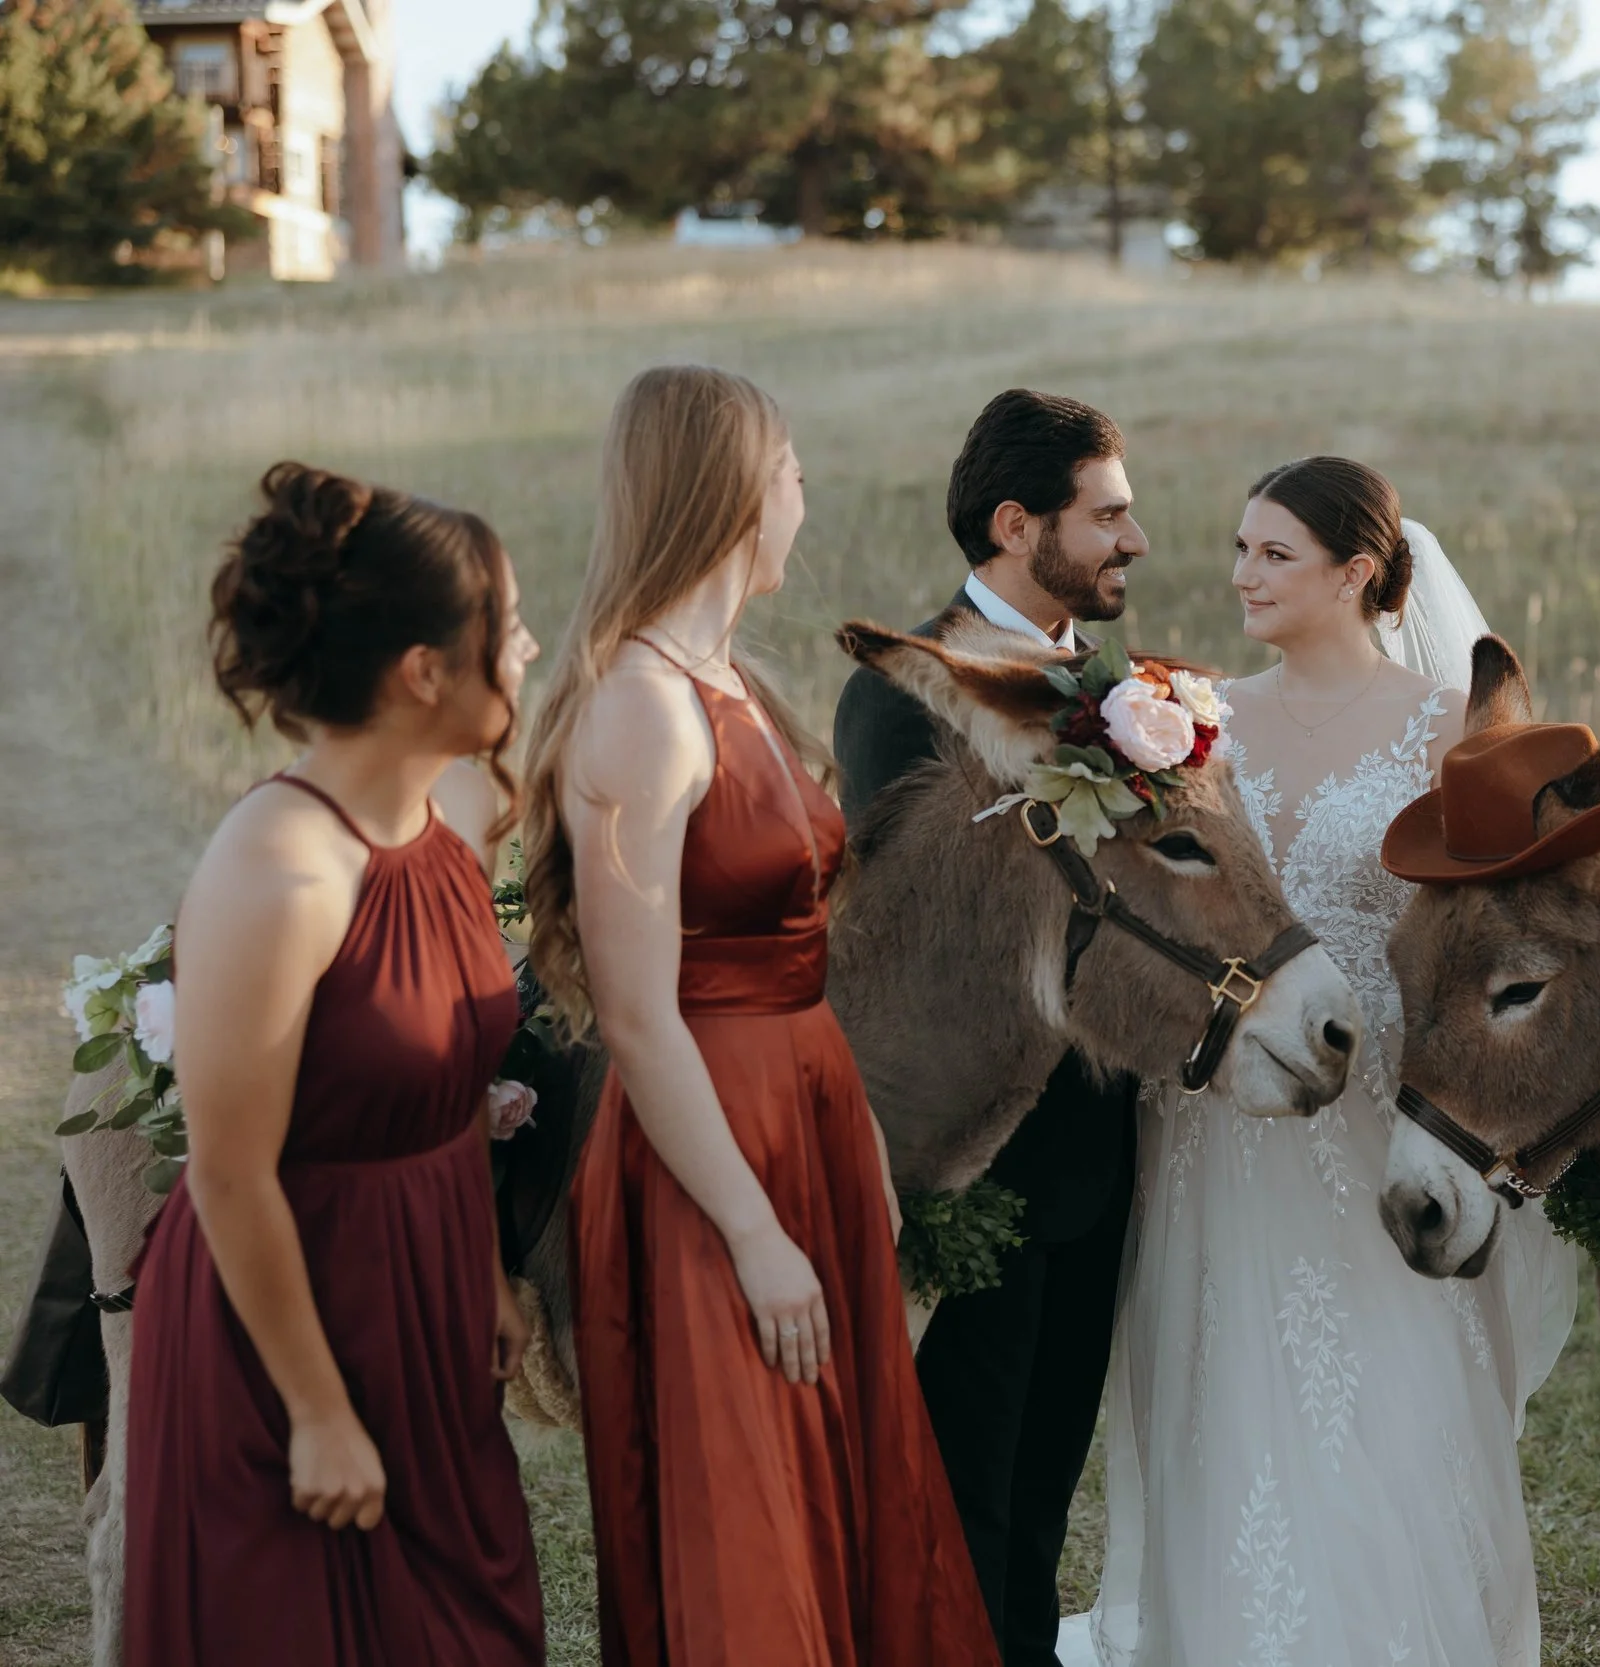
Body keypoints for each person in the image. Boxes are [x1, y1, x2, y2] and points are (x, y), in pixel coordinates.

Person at [524, 366, 992, 1667]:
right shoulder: (641, 707)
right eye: (788, 473)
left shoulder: (729, 680)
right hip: (709, 1147)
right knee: (743, 1513)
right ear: (732, 494)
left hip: (804, 1112)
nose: (803, 498)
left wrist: (854, 1176)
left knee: (832, 1494)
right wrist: (752, 1228)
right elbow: (633, 1007)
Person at [1084, 457, 1580, 1667]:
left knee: (1394, 1404)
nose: (1241, 573)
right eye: (1241, 547)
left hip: (1381, 1112)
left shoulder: (1446, 725)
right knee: (1225, 1398)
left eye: (1274, 554)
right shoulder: (1193, 716)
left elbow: (1504, 932)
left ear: (1357, 571)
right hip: (1220, 1127)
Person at [125, 463, 545, 1665]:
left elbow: (441, 1085)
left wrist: (481, 1272)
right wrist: (315, 1411)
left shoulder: (447, 819)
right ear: (423, 670)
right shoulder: (281, 871)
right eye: (504, 630)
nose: (524, 651)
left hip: (421, 1299)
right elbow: (232, 1171)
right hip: (284, 1328)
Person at [831, 387, 1147, 1667]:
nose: (1134, 539)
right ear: (1020, 523)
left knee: (1039, 1494)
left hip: (1098, 1150)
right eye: (1109, 514)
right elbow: (933, 941)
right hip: (981, 1162)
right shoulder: (904, 691)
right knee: (965, 1491)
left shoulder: (1118, 684)